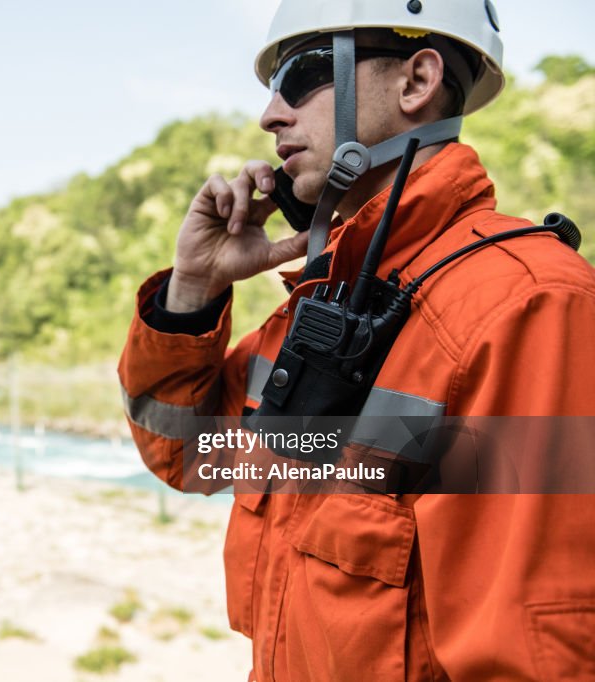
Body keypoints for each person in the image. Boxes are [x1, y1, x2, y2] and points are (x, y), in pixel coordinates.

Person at [118, 1, 595, 679]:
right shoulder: (325, 308)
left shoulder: (526, 305)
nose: (270, 115)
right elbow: (185, 451)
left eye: (301, 73)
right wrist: (192, 291)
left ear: (416, 81)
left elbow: (540, 654)